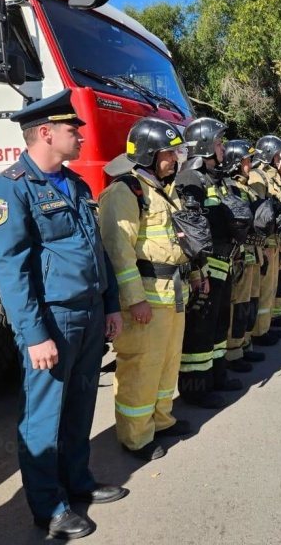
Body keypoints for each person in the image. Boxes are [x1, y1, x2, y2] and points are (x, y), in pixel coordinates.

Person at [0, 89, 127, 540]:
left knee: (81, 406)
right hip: (53, 321)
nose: (80, 136)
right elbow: (12, 269)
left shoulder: (76, 184)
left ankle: (78, 482)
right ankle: (51, 507)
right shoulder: (10, 189)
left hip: (87, 313)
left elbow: (95, 250)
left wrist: (111, 304)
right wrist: (35, 334)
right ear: (45, 133)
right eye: (71, 129)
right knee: (44, 416)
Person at [98, 117, 197, 462]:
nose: (176, 159)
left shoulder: (162, 189)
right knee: (141, 367)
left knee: (166, 364)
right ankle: (136, 438)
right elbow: (117, 251)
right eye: (169, 154)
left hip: (173, 293)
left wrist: (194, 275)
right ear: (148, 155)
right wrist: (134, 300)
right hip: (146, 299)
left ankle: (161, 420)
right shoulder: (124, 192)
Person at [175, 117, 244, 408]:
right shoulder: (190, 179)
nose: (223, 147)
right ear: (204, 145)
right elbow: (193, 227)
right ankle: (196, 389)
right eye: (218, 142)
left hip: (224, 262)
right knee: (200, 328)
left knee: (218, 324)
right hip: (206, 265)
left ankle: (217, 375)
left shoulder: (216, 176)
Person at [222, 140, 269, 364]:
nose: (250, 165)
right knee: (238, 303)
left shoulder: (247, 188)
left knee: (250, 300)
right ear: (235, 163)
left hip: (254, 251)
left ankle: (245, 343)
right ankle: (233, 351)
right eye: (246, 160)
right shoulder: (231, 188)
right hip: (241, 255)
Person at [249, 136, 281, 325]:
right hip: (267, 240)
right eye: (277, 156)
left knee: (275, 281)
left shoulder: (273, 176)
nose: (280, 160)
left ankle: (272, 318)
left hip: (277, 238)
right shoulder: (258, 176)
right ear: (268, 155)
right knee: (265, 285)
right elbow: (261, 214)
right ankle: (262, 328)